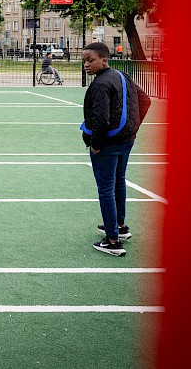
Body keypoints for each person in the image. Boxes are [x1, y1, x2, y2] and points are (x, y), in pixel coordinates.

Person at [80, 42, 151, 256]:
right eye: (84, 61)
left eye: (90, 60)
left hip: (108, 145)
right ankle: (120, 227)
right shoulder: (122, 76)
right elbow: (144, 100)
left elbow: (100, 120)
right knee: (119, 182)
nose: (86, 65)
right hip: (125, 141)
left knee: (106, 189)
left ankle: (112, 241)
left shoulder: (101, 84)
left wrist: (95, 145)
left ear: (104, 59)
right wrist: (133, 129)